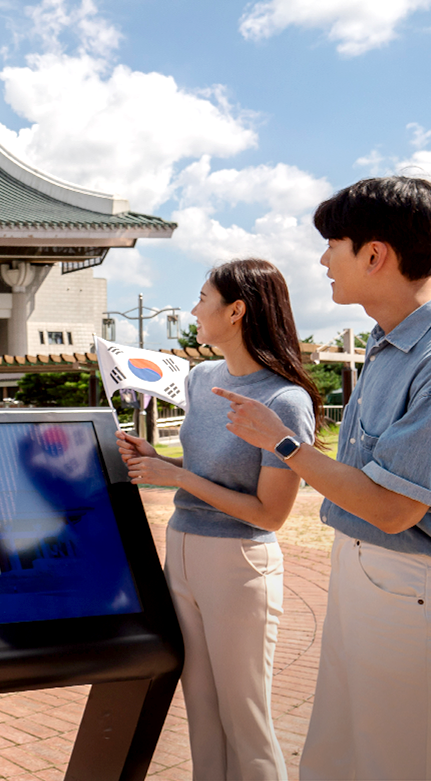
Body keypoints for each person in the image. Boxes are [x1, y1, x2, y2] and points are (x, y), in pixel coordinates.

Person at [214, 177, 431, 781]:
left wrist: (281, 442)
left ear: (375, 254)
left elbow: (390, 509)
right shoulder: (395, 344)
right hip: (381, 584)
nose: (323, 259)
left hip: (424, 596)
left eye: (334, 244)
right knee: (343, 762)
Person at [117, 258, 320, 781]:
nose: (193, 309)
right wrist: (162, 463)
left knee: (245, 717)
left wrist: (176, 478)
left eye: (203, 298)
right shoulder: (202, 377)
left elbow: (269, 513)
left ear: (236, 311)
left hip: (238, 563)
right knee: (201, 709)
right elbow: (211, 472)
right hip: (181, 550)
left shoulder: (285, 401)